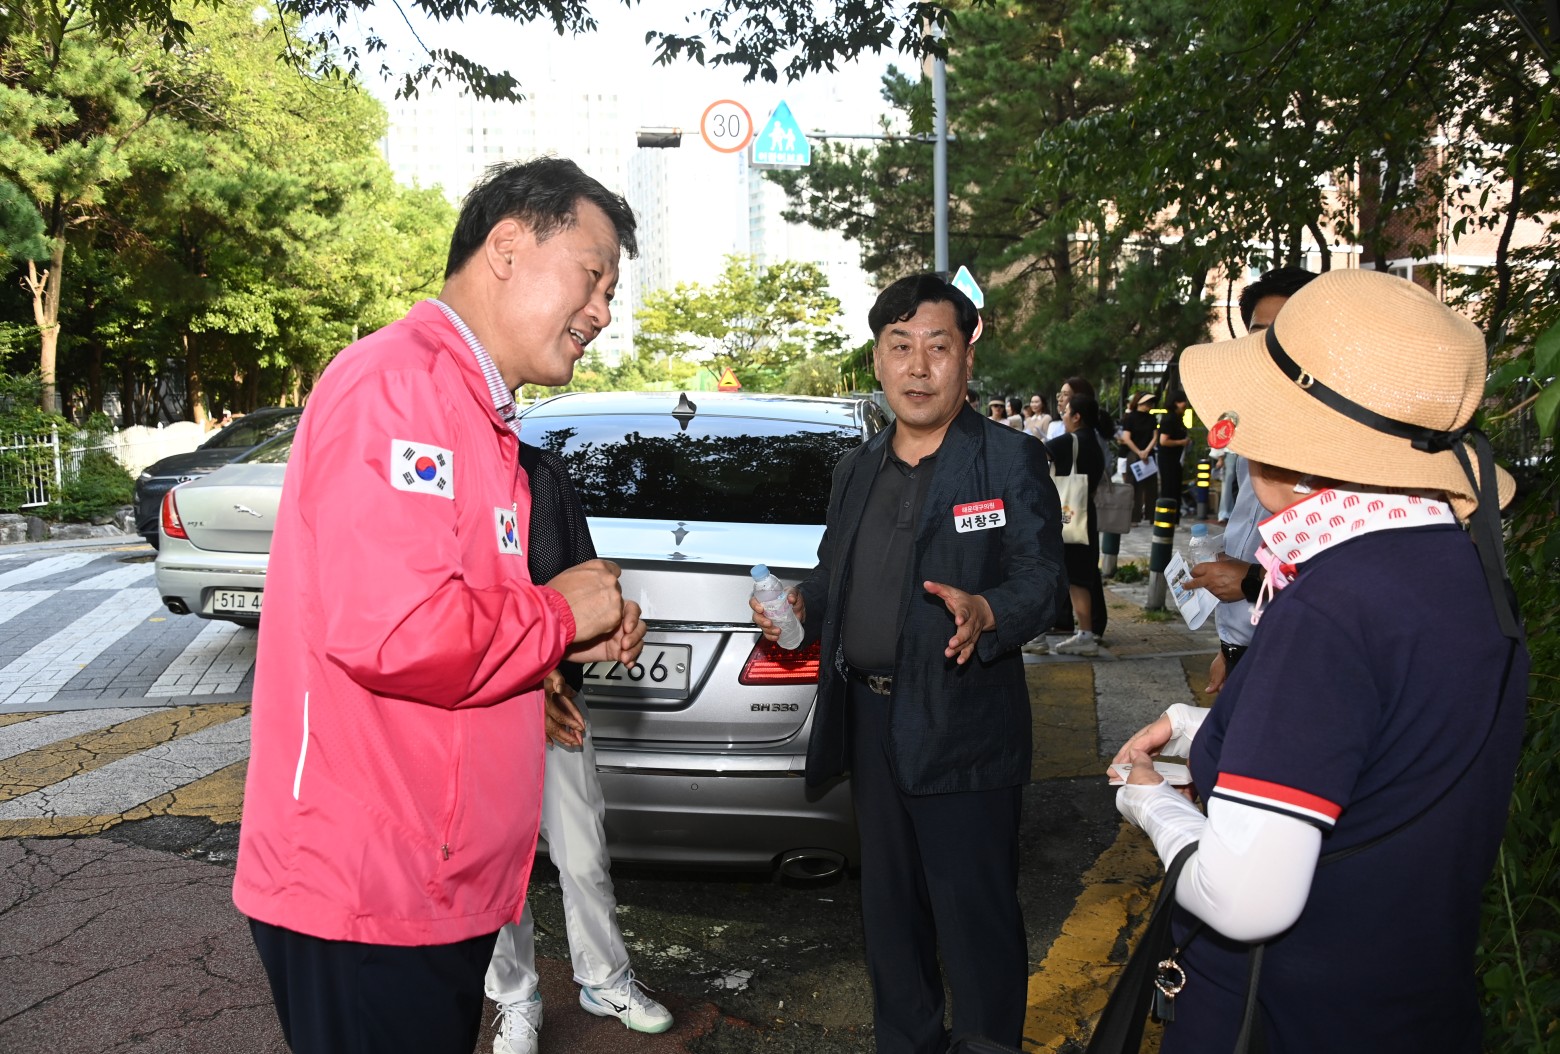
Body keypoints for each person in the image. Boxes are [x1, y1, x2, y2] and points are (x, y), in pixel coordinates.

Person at [234, 157, 647, 1054]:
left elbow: (453, 615)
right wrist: (557, 616)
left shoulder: (474, 414)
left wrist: (553, 646)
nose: (603, 312)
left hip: (430, 883)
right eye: (592, 276)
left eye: (610, 291)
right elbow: (395, 630)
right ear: (507, 246)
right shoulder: (403, 386)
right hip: (370, 888)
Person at [1110, 269, 1527, 1053]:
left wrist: (1149, 803)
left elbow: (1245, 898)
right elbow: (1391, 748)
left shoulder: (1331, 605)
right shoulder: (1460, 564)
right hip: (1409, 1006)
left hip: (1285, 1017)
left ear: (1292, 445)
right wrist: (1203, 729)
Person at [752, 273, 1064, 1053]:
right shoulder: (855, 468)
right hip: (871, 720)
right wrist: (799, 605)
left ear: (966, 359)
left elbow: (1041, 580)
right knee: (889, 915)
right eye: (900, 347)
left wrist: (989, 610)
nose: (917, 367)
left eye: (937, 347)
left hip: (965, 722)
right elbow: (834, 573)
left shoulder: (1008, 460)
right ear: (878, 359)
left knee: (974, 918)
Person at [484, 443, 673, 1054]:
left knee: (584, 852)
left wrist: (613, 626)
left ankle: (605, 980)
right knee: (496, 865)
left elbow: (583, 588)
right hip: (479, 706)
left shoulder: (542, 473)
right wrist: (524, 679)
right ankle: (515, 996)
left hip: (559, 698)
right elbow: (446, 610)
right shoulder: (439, 472)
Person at [1187, 266, 1316, 691]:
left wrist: (1252, 580)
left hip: (1302, 656)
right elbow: (1252, 525)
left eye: (1288, 334)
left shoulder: (1343, 441)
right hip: (1246, 646)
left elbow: (1353, 576)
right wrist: (1230, 646)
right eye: (1261, 335)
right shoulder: (1252, 423)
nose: (1273, 350)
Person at [1045, 393, 1105, 657]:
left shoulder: (1071, 440)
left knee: (1059, 574)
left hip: (1067, 517)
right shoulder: (1095, 441)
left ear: (1077, 416)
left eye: (1066, 412)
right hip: (1084, 515)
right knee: (1080, 578)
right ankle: (1085, 634)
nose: (1064, 417)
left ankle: (1039, 634)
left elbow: (1036, 450)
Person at [1117, 392, 1158, 524]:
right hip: (1134, 454)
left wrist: (1146, 450)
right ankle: (1134, 518)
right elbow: (1126, 438)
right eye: (1147, 402)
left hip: (1148, 454)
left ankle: (1152, 516)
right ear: (1139, 402)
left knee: (1151, 486)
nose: (1149, 405)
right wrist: (1139, 452)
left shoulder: (1152, 418)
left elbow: (1155, 436)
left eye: (1151, 403)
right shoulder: (1130, 418)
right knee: (1133, 486)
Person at [1154, 388, 1191, 517]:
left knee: (1175, 486)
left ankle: (1174, 516)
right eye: (1183, 402)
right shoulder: (1169, 419)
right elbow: (1163, 441)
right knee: (1169, 487)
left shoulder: (1178, 418)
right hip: (1168, 459)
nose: (1185, 405)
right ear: (1176, 402)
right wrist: (1181, 442)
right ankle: (1167, 517)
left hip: (1176, 458)